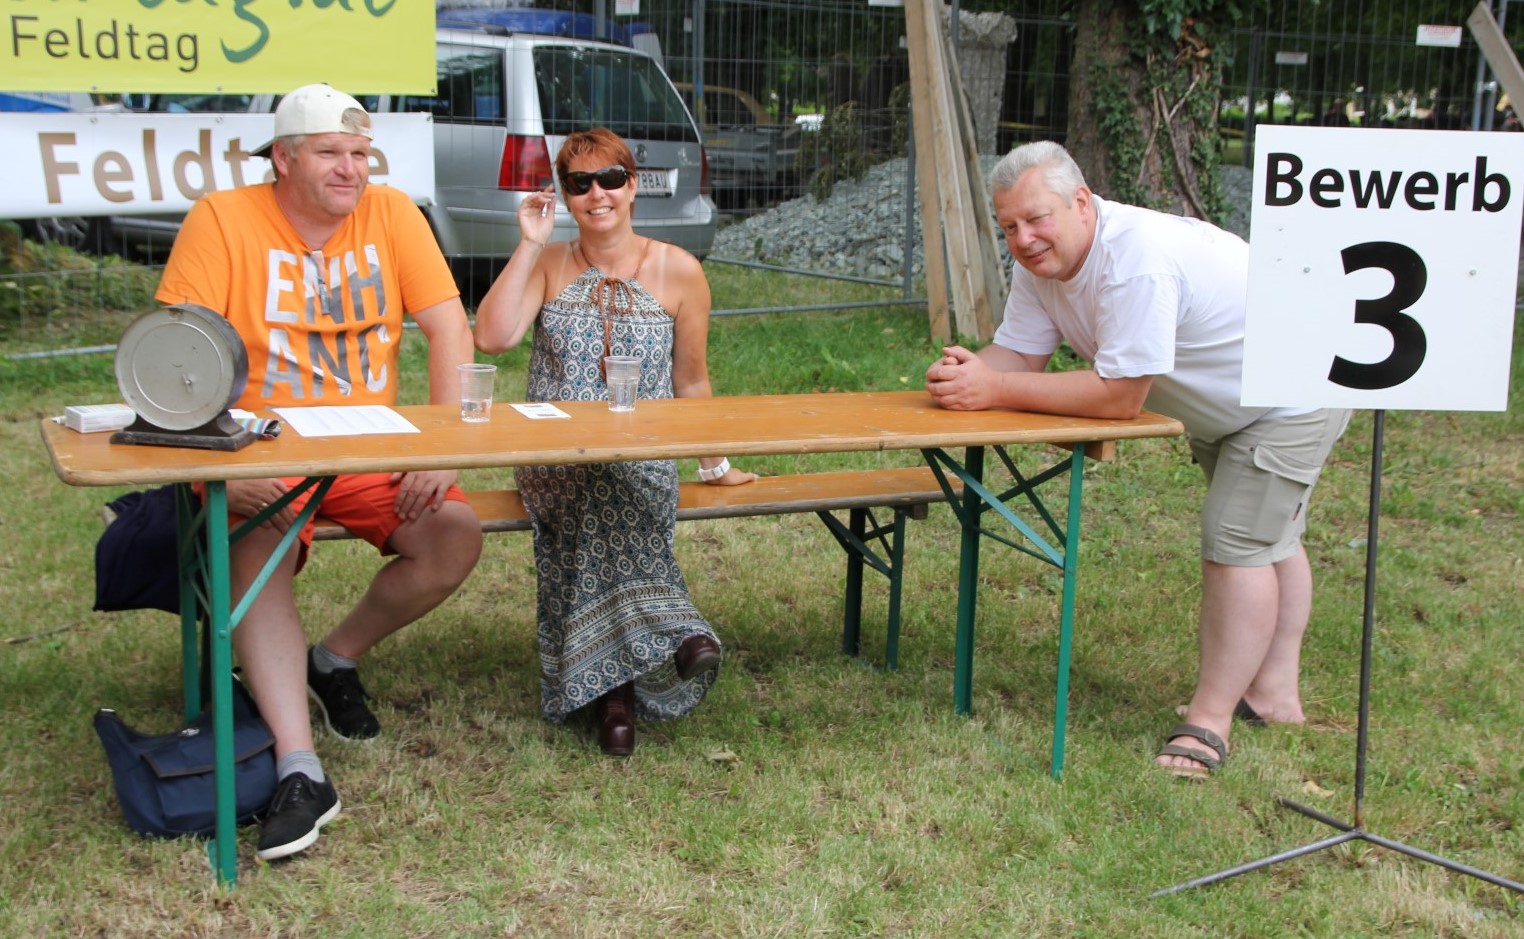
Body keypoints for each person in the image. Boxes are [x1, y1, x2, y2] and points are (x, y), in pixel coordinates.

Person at [925, 141, 1349, 779]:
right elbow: (1020, 353)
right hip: (1233, 403)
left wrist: (996, 388)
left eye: (1037, 218)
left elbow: (1120, 397)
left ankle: (1209, 723)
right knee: (1269, 535)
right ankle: (1275, 696)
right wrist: (972, 372)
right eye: (1009, 226)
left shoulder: (1135, 262)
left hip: (1289, 394)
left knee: (1237, 541)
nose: (1025, 238)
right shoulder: (1043, 267)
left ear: (1082, 202)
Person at [155, 84, 484, 857]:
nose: (351, 170)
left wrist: (438, 448)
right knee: (246, 537)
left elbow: (447, 329)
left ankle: (332, 657)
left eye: (361, 154)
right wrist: (221, 468)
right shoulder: (222, 220)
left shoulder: (395, 213)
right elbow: (175, 360)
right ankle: (301, 767)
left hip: (370, 445)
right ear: (284, 157)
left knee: (455, 536)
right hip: (262, 442)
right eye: (332, 153)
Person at [473, 128, 755, 756]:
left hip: (642, 459)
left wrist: (714, 463)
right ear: (565, 196)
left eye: (610, 179)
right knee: (592, 477)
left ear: (633, 186)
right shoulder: (548, 264)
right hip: (553, 459)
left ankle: (614, 698)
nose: (596, 194)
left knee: (614, 478)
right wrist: (528, 243)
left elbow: (692, 380)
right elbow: (491, 340)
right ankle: (675, 633)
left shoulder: (680, 271)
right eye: (578, 183)